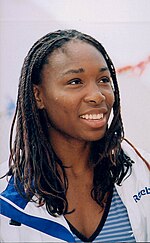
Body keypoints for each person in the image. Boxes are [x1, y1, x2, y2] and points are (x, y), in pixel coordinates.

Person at [0, 29, 149, 243]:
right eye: (75, 81)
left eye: (104, 79)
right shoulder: (7, 201)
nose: (98, 95)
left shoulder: (140, 170)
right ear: (38, 95)